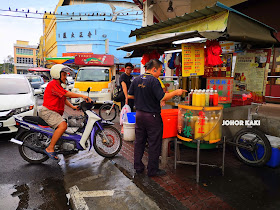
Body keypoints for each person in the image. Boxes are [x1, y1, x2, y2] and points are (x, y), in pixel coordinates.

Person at [128, 59, 187, 177]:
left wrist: (143, 98)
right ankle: (152, 170)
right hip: (152, 116)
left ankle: (138, 166)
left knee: (139, 141)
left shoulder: (137, 79)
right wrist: (176, 92)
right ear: (154, 69)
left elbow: (130, 95)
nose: (161, 73)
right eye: (160, 70)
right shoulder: (154, 81)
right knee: (154, 143)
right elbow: (163, 96)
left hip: (139, 115)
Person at [39, 64, 92, 160]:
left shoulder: (58, 85)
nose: (65, 77)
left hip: (53, 112)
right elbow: (67, 94)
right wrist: (82, 96)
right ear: (57, 75)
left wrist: (73, 107)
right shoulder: (53, 84)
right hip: (48, 112)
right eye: (63, 75)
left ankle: (62, 147)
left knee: (65, 125)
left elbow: (63, 98)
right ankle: (50, 148)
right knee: (63, 125)